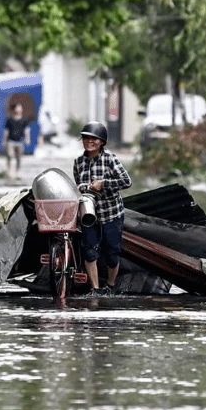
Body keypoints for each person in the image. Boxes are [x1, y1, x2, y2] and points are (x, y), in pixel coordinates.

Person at [73, 121, 131, 295]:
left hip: (111, 214)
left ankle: (111, 286)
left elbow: (126, 181)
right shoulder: (78, 162)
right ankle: (95, 289)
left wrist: (104, 184)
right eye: (86, 138)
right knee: (89, 252)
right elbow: (78, 185)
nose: (89, 141)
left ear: (101, 142)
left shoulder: (110, 159)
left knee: (112, 254)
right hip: (88, 215)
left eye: (94, 139)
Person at [2, 103, 29, 179]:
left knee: (19, 158)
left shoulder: (24, 119)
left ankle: (17, 172)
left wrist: (27, 139)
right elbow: (6, 131)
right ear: (14, 109)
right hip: (11, 141)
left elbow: (26, 130)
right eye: (17, 107)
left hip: (20, 141)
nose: (19, 109)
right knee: (10, 156)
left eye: (20, 107)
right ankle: (10, 172)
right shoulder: (9, 119)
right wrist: (4, 140)